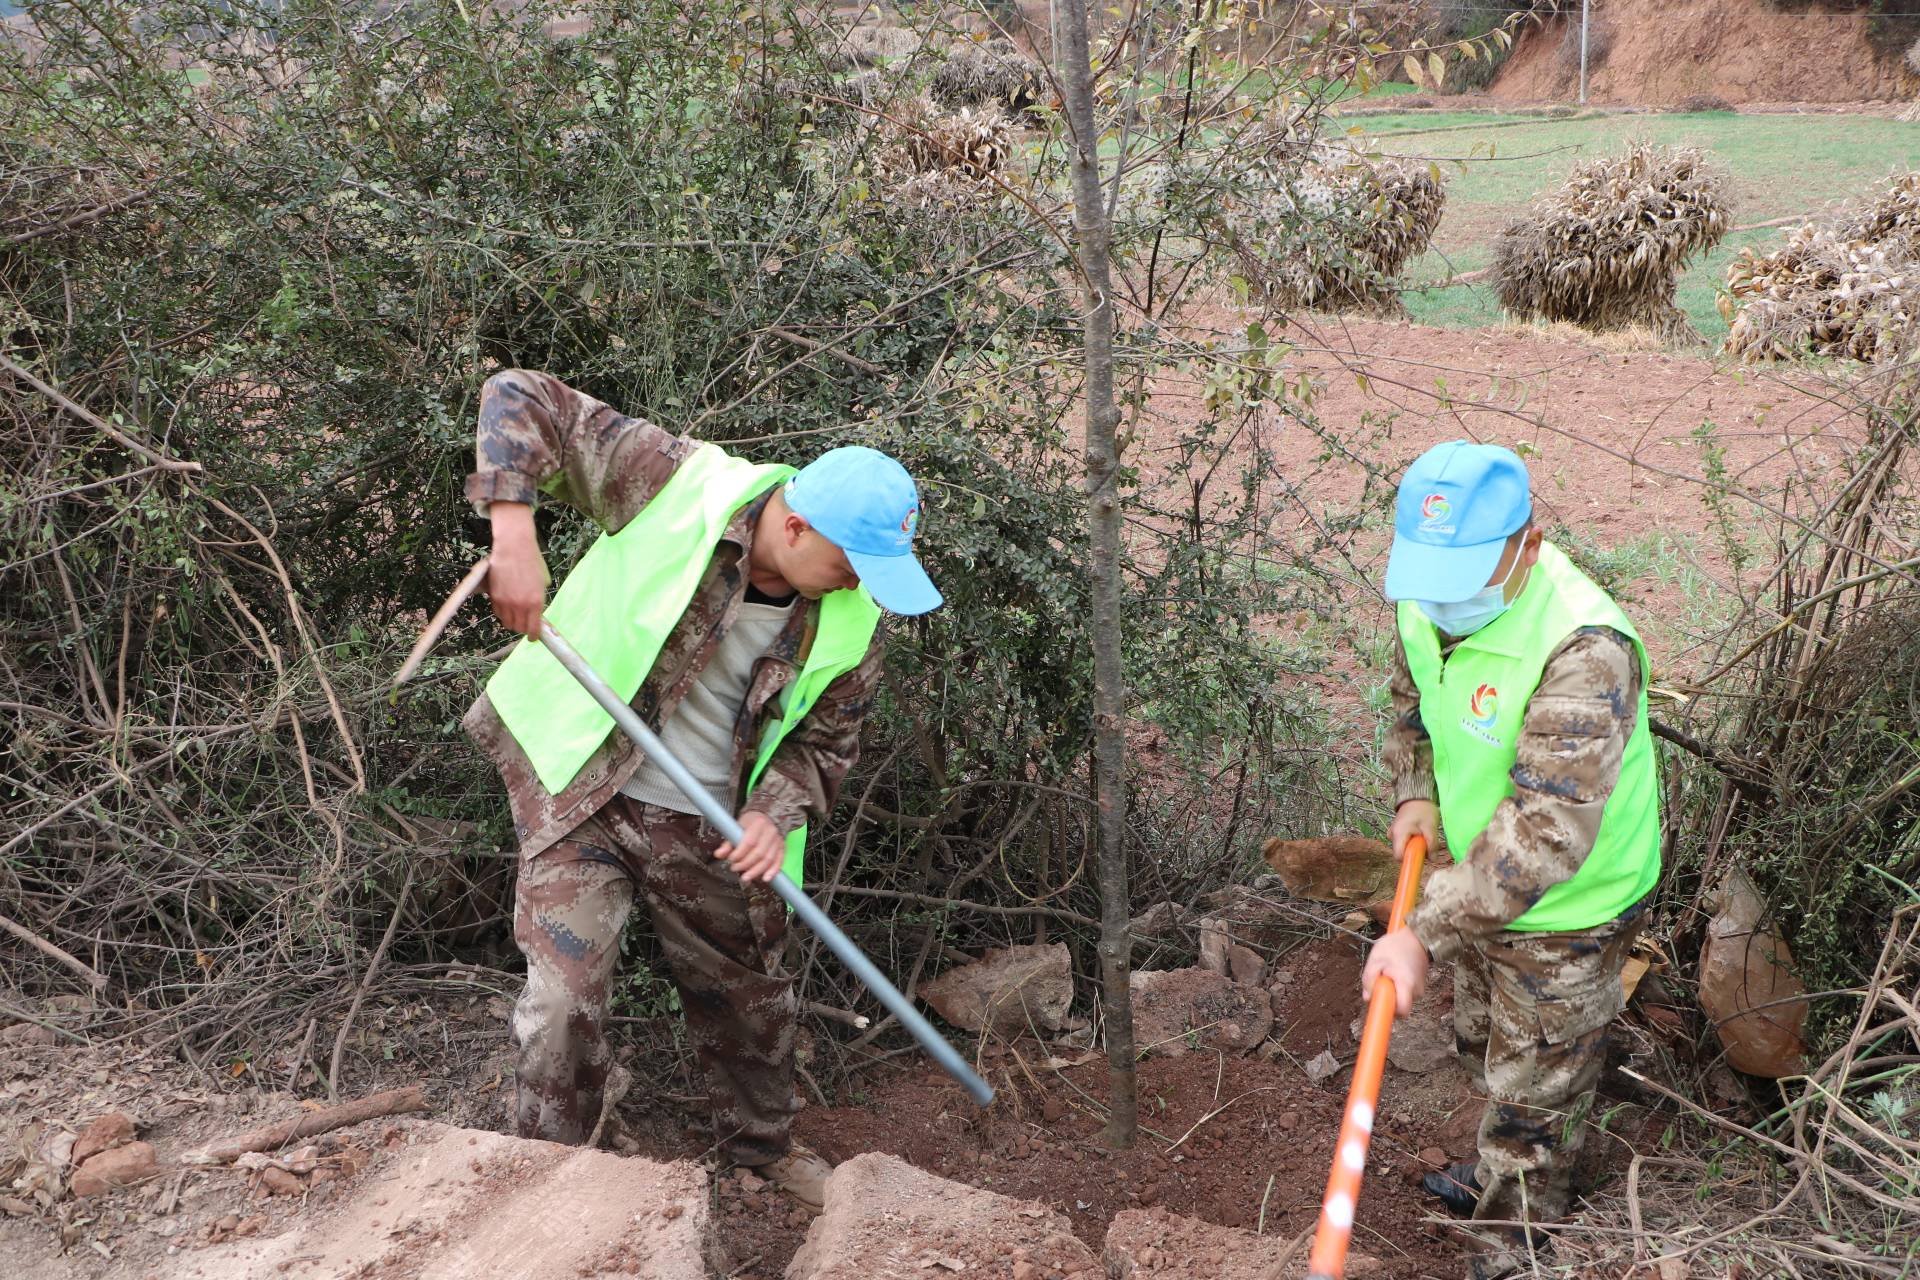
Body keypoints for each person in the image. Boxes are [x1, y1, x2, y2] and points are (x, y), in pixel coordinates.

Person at [462, 368, 941, 1212]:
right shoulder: (674, 481)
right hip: (588, 787)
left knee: (749, 997)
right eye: (853, 563)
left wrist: (771, 812)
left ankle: (758, 1153)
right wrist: (514, 536)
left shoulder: (854, 621)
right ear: (794, 527)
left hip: (710, 819)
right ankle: (541, 1180)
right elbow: (518, 393)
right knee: (564, 1005)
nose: (862, 586)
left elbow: (826, 745)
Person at [1360, 441, 1660, 1280]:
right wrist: (1413, 787)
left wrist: (1418, 934)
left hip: (1571, 905)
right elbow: (1412, 692)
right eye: (1428, 575)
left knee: (1534, 1092)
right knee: (1483, 1043)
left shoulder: (1585, 647)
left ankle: (1511, 1241)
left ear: (1527, 543)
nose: (1438, 599)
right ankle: (1507, 1165)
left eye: (1462, 575)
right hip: (1478, 882)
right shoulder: (1428, 592)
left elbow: (1546, 836)